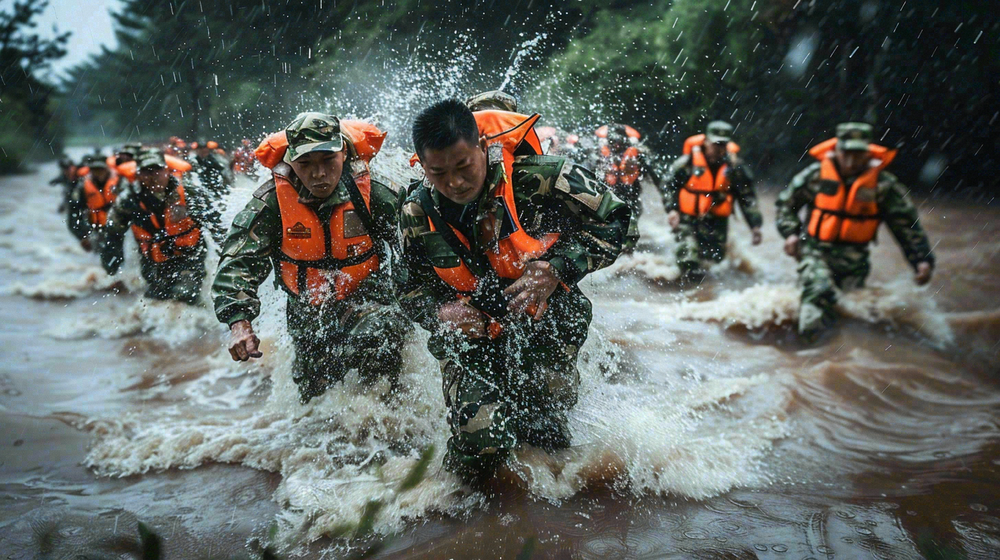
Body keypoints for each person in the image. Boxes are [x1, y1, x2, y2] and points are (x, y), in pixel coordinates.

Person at [399, 100, 635, 480]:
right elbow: (408, 287)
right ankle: (459, 513)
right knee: (481, 443)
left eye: (463, 166)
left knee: (546, 433)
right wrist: (440, 313)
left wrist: (559, 268)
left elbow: (620, 222)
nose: (455, 183)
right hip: (471, 339)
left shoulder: (544, 179)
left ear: (481, 146)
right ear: (423, 166)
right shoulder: (414, 212)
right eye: (438, 172)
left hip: (547, 322)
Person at [213, 112, 410, 404]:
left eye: (328, 161)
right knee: (314, 400)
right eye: (306, 164)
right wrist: (240, 323)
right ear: (290, 161)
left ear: (343, 154)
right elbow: (237, 261)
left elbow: (416, 250)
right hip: (308, 311)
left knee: (377, 344)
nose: (319, 174)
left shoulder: (375, 194)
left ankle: (390, 430)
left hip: (371, 299)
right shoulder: (271, 204)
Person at [776, 122, 935, 340]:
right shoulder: (815, 176)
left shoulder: (884, 186)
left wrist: (921, 260)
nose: (851, 161)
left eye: (858, 154)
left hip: (855, 260)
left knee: (849, 308)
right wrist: (791, 233)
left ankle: (840, 351)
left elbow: (906, 225)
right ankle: (809, 349)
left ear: (868, 153)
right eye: (846, 153)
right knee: (819, 289)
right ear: (836, 150)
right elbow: (786, 206)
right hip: (815, 250)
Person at [101, 150, 207, 304]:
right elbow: (113, 233)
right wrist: (111, 265)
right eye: (146, 172)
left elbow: (215, 224)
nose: (153, 176)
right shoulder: (128, 200)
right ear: (138, 175)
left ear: (166, 170)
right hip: (153, 262)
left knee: (186, 296)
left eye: (157, 170)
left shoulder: (190, 193)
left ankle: (197, 324)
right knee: (156, 299)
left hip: (189, 258)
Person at [661, 120, 763, 277]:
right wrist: (672, 209)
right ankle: (686, 292)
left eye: (723, 144)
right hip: (688, 219)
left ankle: (702, 289)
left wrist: (755, 226)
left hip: (717, 223)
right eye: (716, 143)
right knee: (688, 257)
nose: (719, 148)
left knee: (713, 263)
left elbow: (746, 197)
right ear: (706, 141)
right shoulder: (686, 164)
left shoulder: (735, 168)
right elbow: (668, 186)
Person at [188, 140, 235, 245]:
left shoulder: (215, 161)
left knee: (216, 219)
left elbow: (225, 177)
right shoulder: (194, 162)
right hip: (201, 195)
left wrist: (225, 193)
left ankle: (221, 241)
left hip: (215, 195)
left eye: (203, 148)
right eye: (199, 149)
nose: (202, 151)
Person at [79, 155, 124, 252]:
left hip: (118, 227)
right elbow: (79, 210)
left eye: (100, 169)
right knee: (100, 254)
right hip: (97, 228)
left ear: (106, 168)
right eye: (95, 169)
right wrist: (83, 235)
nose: (98, 172)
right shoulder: (83, 186)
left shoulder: (120, 181)